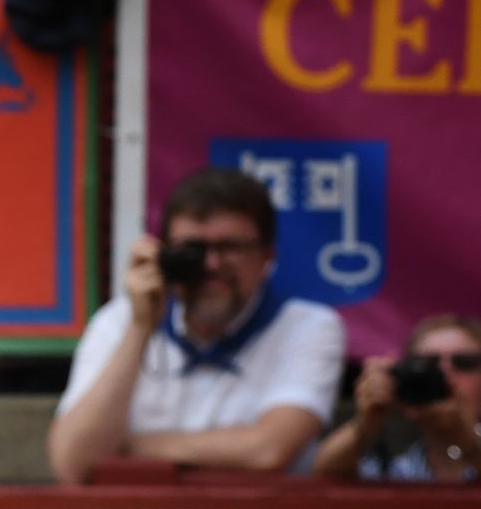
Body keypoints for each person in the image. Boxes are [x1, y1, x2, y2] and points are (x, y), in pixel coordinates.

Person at [48, 166, 344, 484]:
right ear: (166, 254)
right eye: (193, 250)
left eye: (230, 248)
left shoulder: (308, 326)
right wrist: (141, 328)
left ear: (266, 257)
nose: (211, 265)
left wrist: (127, 446)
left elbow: (268, 450)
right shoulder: (119, 320)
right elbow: (72, 463)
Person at [314, 315, 481, 484]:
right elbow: (327, 474)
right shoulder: (392, 464)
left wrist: (465, 440)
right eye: (427, 365)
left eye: (464, 363)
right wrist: (366, 424)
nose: (445, 375)